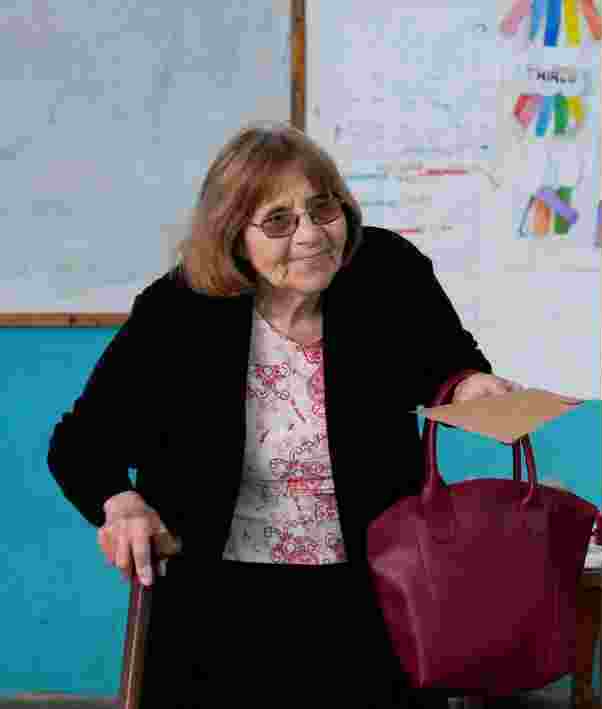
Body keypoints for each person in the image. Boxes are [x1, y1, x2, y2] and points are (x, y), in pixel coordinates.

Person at [47, 120, 522, 708]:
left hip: (377, 591)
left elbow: (447, 363)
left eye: (323, 210)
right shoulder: (179, 312)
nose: (311, 236)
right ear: (232, 235)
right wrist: (122, 505)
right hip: (217, 604)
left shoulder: (387, 274)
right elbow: (81, 444)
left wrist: (471, 386)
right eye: (278, 221)